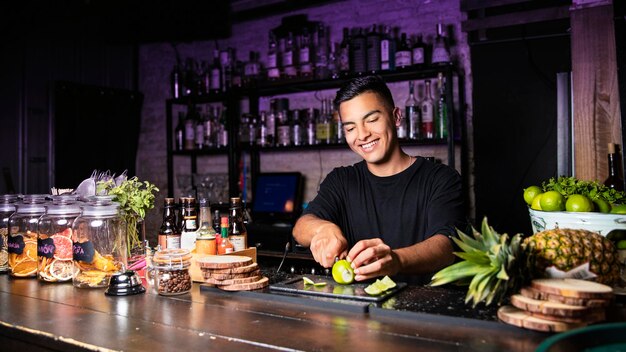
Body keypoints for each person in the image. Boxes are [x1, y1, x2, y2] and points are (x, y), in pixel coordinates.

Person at [292, 75, 466, 284]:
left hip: (421, 310)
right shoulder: (342, 180)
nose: (362, 134)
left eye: (372, 120)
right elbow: (301, 227)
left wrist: (397, 260)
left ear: (396, 117)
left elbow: (447, 246)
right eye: (350, 128)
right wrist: (323, 230)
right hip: (356, 310)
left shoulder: (441, 179)